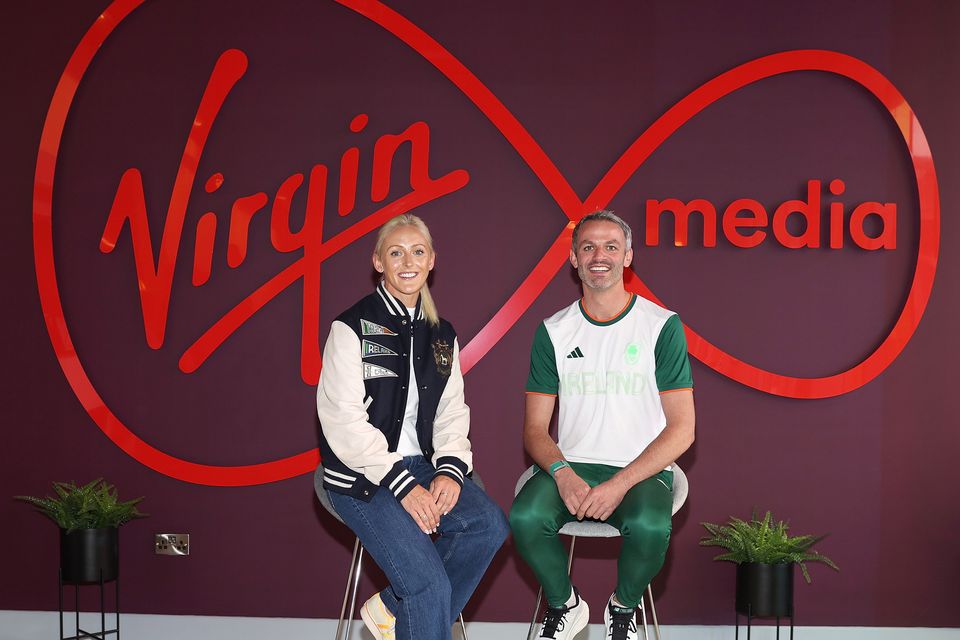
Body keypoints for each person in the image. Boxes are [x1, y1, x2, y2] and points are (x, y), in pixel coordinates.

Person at [316, 214, 509, 640]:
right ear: (378, 262)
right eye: (396, 252)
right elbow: (343, 420)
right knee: (427, 586)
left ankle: (392, 609)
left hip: (419, 466)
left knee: (488, 525)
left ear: (432, 261)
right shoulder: (350, 327)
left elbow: (451, 411)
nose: (408, 261)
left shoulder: (442, 335)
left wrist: (450, 469)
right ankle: (412, 610)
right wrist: (403, 485)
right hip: (360, 477)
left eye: (417, 252)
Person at [509, 210, 696, 640]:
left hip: (639, 469)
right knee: (524, 516)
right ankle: (565, 604)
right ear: (573, 258)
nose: (600, 256)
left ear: (628, 256)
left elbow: (682, 429)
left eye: (611, 246)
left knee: (651, 525)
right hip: (573, 464)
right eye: (588, 246)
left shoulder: (661, 326)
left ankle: (622, 608)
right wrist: (563, 475)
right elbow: (535, 429)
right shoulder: (554, 330)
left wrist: (620, 484)